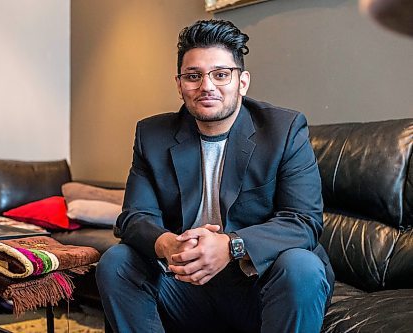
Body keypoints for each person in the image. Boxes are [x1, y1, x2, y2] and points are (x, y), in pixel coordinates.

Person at [96, 19, 334, 333]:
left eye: (221, 74)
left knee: (302, 266)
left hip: (258, 285)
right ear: (180, 85)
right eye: (193, 76)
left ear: (243, 82)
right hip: (183, 284)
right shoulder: (152, 134)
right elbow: (133, 218)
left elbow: (303, 220)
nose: (207, 86)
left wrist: (230, 246)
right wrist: (168, 245)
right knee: (116, 261)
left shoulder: (284, 130)